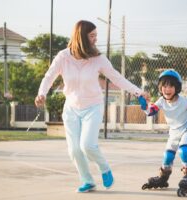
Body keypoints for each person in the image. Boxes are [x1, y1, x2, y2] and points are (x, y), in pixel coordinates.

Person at [34, 20, 146, 193]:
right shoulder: (63, 57)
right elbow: (49, 77)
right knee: (75, 150)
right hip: (71, 108)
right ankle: (87, 180)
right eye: (92, 36)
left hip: (93, 107)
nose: (95, 39)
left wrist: (138, 92)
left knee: (88, 145)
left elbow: (116, 77)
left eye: (96, 36)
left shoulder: (98, 58)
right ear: (81, 37)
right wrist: (42, 93)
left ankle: (104, 168)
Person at [139, 69, 187, 196]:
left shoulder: (184, 101)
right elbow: (151, 112)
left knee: (183, 150)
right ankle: (163, 178)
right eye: (164, 86)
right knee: (167, 157)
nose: (167, 89)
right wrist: (144, 107)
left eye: (171, 86)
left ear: (177, 87)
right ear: (160, 88)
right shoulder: (161, 101)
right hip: (174, 132)